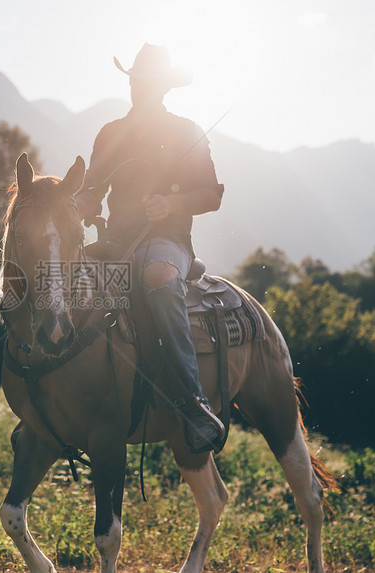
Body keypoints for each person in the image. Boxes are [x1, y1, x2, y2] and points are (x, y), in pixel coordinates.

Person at [76, 44, 226, 453]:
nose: (138, 88)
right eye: (133, 80)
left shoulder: (186, 131)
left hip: (168, 241)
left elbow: (211, 195)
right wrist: (80, 206)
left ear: (162, 87)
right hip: (114, 243)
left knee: (156, 276)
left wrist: (171, 204)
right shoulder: (110, 132)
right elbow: (93, 187)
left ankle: (192, 402)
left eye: (146, 82)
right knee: (65, 278)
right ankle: (56, 398)